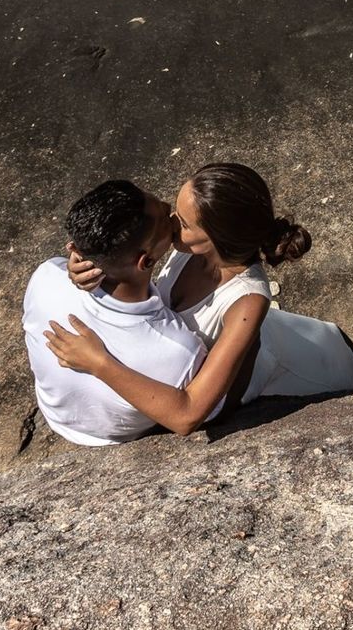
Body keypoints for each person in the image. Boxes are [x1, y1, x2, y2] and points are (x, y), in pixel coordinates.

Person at [43, 162, 353, 435]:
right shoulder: (188, 247)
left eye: (181, 221)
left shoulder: (249, 301)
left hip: (307, 371)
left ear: (215, 239)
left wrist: (99, 363)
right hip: (280, 336)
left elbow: (188, 415)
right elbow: (133, 258)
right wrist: (91, 265)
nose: (167, 220)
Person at [21, 179, 218, 446]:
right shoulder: (178, 351)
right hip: (109, 436)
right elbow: (190, 412)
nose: (169, 208)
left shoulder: (45, 277)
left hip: (57, 412)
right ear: (146, 261)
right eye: (164, 217)